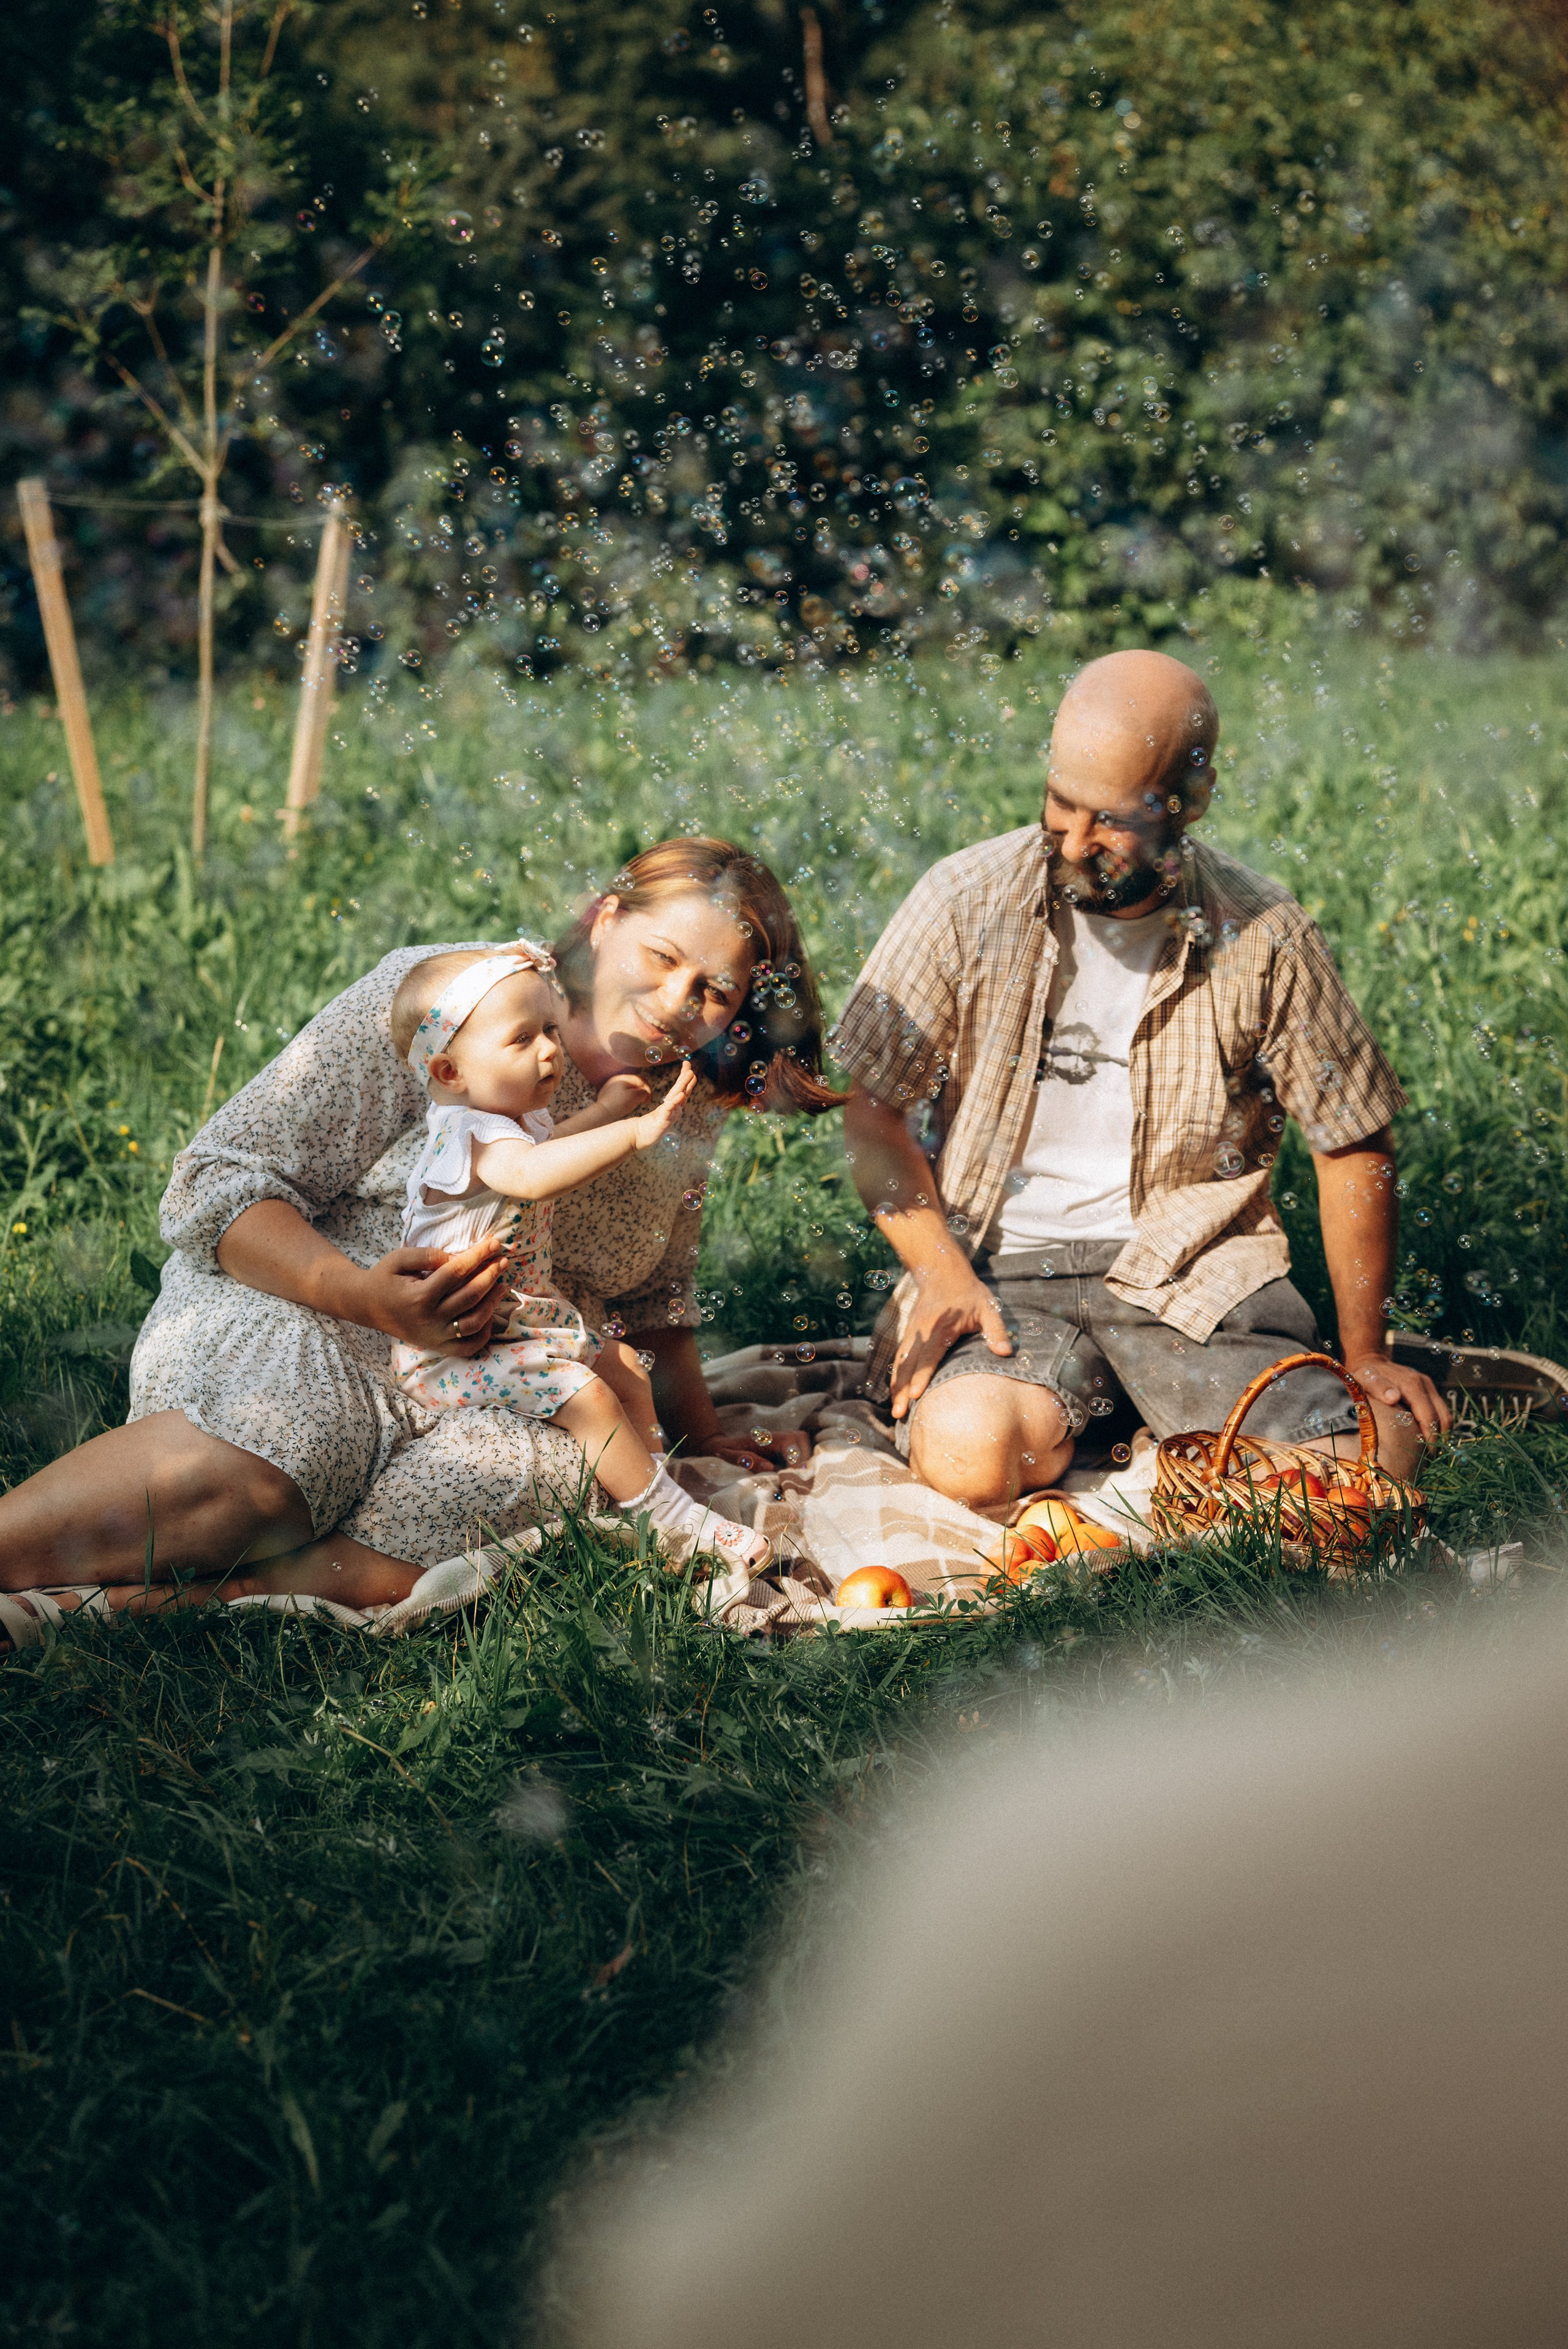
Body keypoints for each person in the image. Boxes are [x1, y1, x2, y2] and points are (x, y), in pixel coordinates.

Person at [0, 838, 835, 1636]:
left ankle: (180, 1603)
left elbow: (653, 1291)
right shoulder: (457, 1002)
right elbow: (216, 1179)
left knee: (559, 1472)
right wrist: (362, 1296)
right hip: (310, 1308)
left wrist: (697, 1430)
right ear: (606, 919)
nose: (673, 1004)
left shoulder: (679, 1098)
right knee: (297, 1453)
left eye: (713, 990)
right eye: (662, 957)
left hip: (492, 1371)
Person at [834, 648, 1449, 1513]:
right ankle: (1145, 1426)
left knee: (1370, 1461)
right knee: (969, 1457)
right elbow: (874, 1119)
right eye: (1060, 802)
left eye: (1111, 820)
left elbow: (1352, 1140)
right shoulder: (963, 900)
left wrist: (1367, 1349)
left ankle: (1158, 1414)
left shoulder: (1263, 934)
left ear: (1187, 802)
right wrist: (942, 1274)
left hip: (1191, 1275)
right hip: (1003, 1272)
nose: (1075, 842)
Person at [386, 941, 767, 1570]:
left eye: (551, 1031)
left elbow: (550, 1144)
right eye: (522, 1039)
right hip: (450, 1353)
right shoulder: (465, 1135)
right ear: (450, 1072)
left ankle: (655, 1493)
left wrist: (606, 1108)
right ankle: (668, 1521)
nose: (549, 1050)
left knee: (624, 1367)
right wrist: (635, 1131)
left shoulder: (507, 1123)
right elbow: (534, 1174)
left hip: (512, 1330)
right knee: (588, 1395)